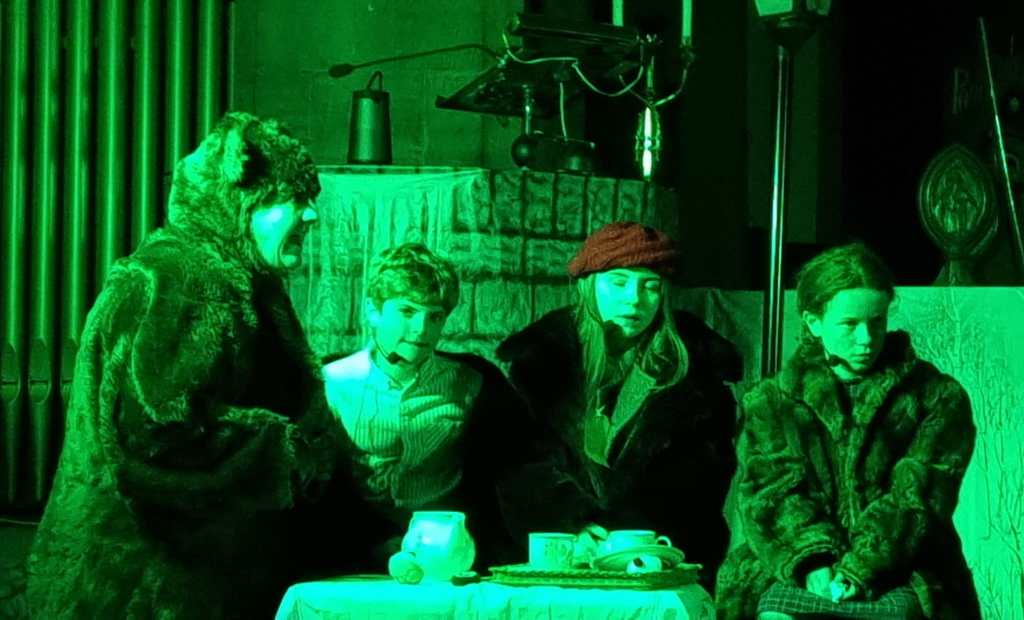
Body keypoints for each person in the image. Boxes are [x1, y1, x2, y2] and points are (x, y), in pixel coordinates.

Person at [27, 112, 337, 619]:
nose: (311, 216)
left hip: (197, 579)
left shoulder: (244, 283)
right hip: (147, 588)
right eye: (293, 199)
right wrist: (280, 450)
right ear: (238, 202)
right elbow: (155, 434)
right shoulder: (182, 280)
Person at [716, 243, 982, 620]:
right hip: (801, 563)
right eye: (849, 324)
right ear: (814, 323)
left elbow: (918, 496)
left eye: (876, 321)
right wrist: (812, 559)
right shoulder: (772, 402)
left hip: (904, 565)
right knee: (775, 612)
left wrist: (861, 568)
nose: (866, 339)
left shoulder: (936, 397)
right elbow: (772, 491)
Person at [495, 221, 742, 591]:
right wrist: (571, 521)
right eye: (619, 282)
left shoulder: (697, 374)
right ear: (590, 285)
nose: (634, 300)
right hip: (560, 556)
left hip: (653, 560)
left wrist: (629, 539)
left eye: (650, 286)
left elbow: (703, 483)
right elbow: (520, 464)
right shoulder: (541, 364)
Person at [322, 242, 522, 571]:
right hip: (354, 550)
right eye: (407, 311)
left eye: (435, 316)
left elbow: (521, 463)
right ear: (373, 310)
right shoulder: (333, 382)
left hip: (450, 551)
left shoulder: (471, 382)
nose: (421, 329)